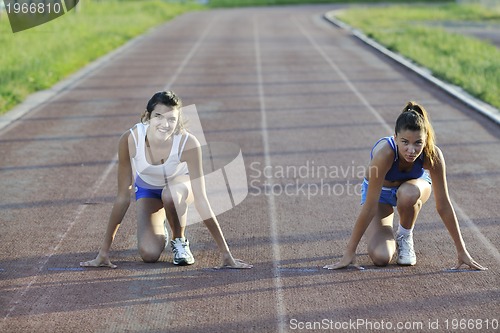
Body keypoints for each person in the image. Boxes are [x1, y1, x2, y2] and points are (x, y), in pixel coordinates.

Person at [80, 91, 252, 269]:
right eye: (158, 117)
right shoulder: (130, 139)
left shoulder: (188, 143)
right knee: (149, 254)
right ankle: (162, 221)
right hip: (148, 189)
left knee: (169, 195)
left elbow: (201, 199)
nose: (165, 124)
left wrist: (225, 253)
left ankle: (179, 240)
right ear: (147, 117)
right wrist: (104, 252)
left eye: (172, 119)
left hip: (180, 188)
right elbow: (123, 197)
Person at [324, 101, 486, 270]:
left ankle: (405, 235)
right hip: (381, 195)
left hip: (411, 190)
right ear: (395, 138)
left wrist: (461, 250)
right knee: (381, 257)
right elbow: (370, 206)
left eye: (418, 143)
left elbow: (443, 204)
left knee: (407, 193)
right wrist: (350, 252)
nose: (411, 150)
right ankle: (387, 238)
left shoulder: (432, 155)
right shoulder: (385, 154)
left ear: (425, 141)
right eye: (405, 142)